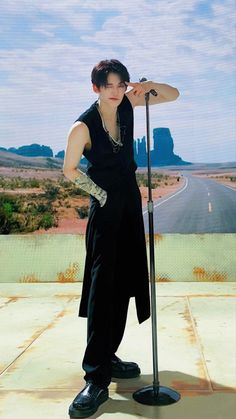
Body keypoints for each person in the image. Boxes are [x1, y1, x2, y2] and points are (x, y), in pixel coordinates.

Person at [63, 59, 179, 418]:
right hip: (106, 206)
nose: (115, 91)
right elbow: (69, 170)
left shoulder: (129, 103)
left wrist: (147, 86)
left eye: (120, 84)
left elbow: (173, 95)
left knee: (125, 281)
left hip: (130, 204)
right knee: (102, 289)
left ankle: (108, 354)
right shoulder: (82, 126)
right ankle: (95, 379)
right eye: (108, 85)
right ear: (95, 87)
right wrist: (100, 193)